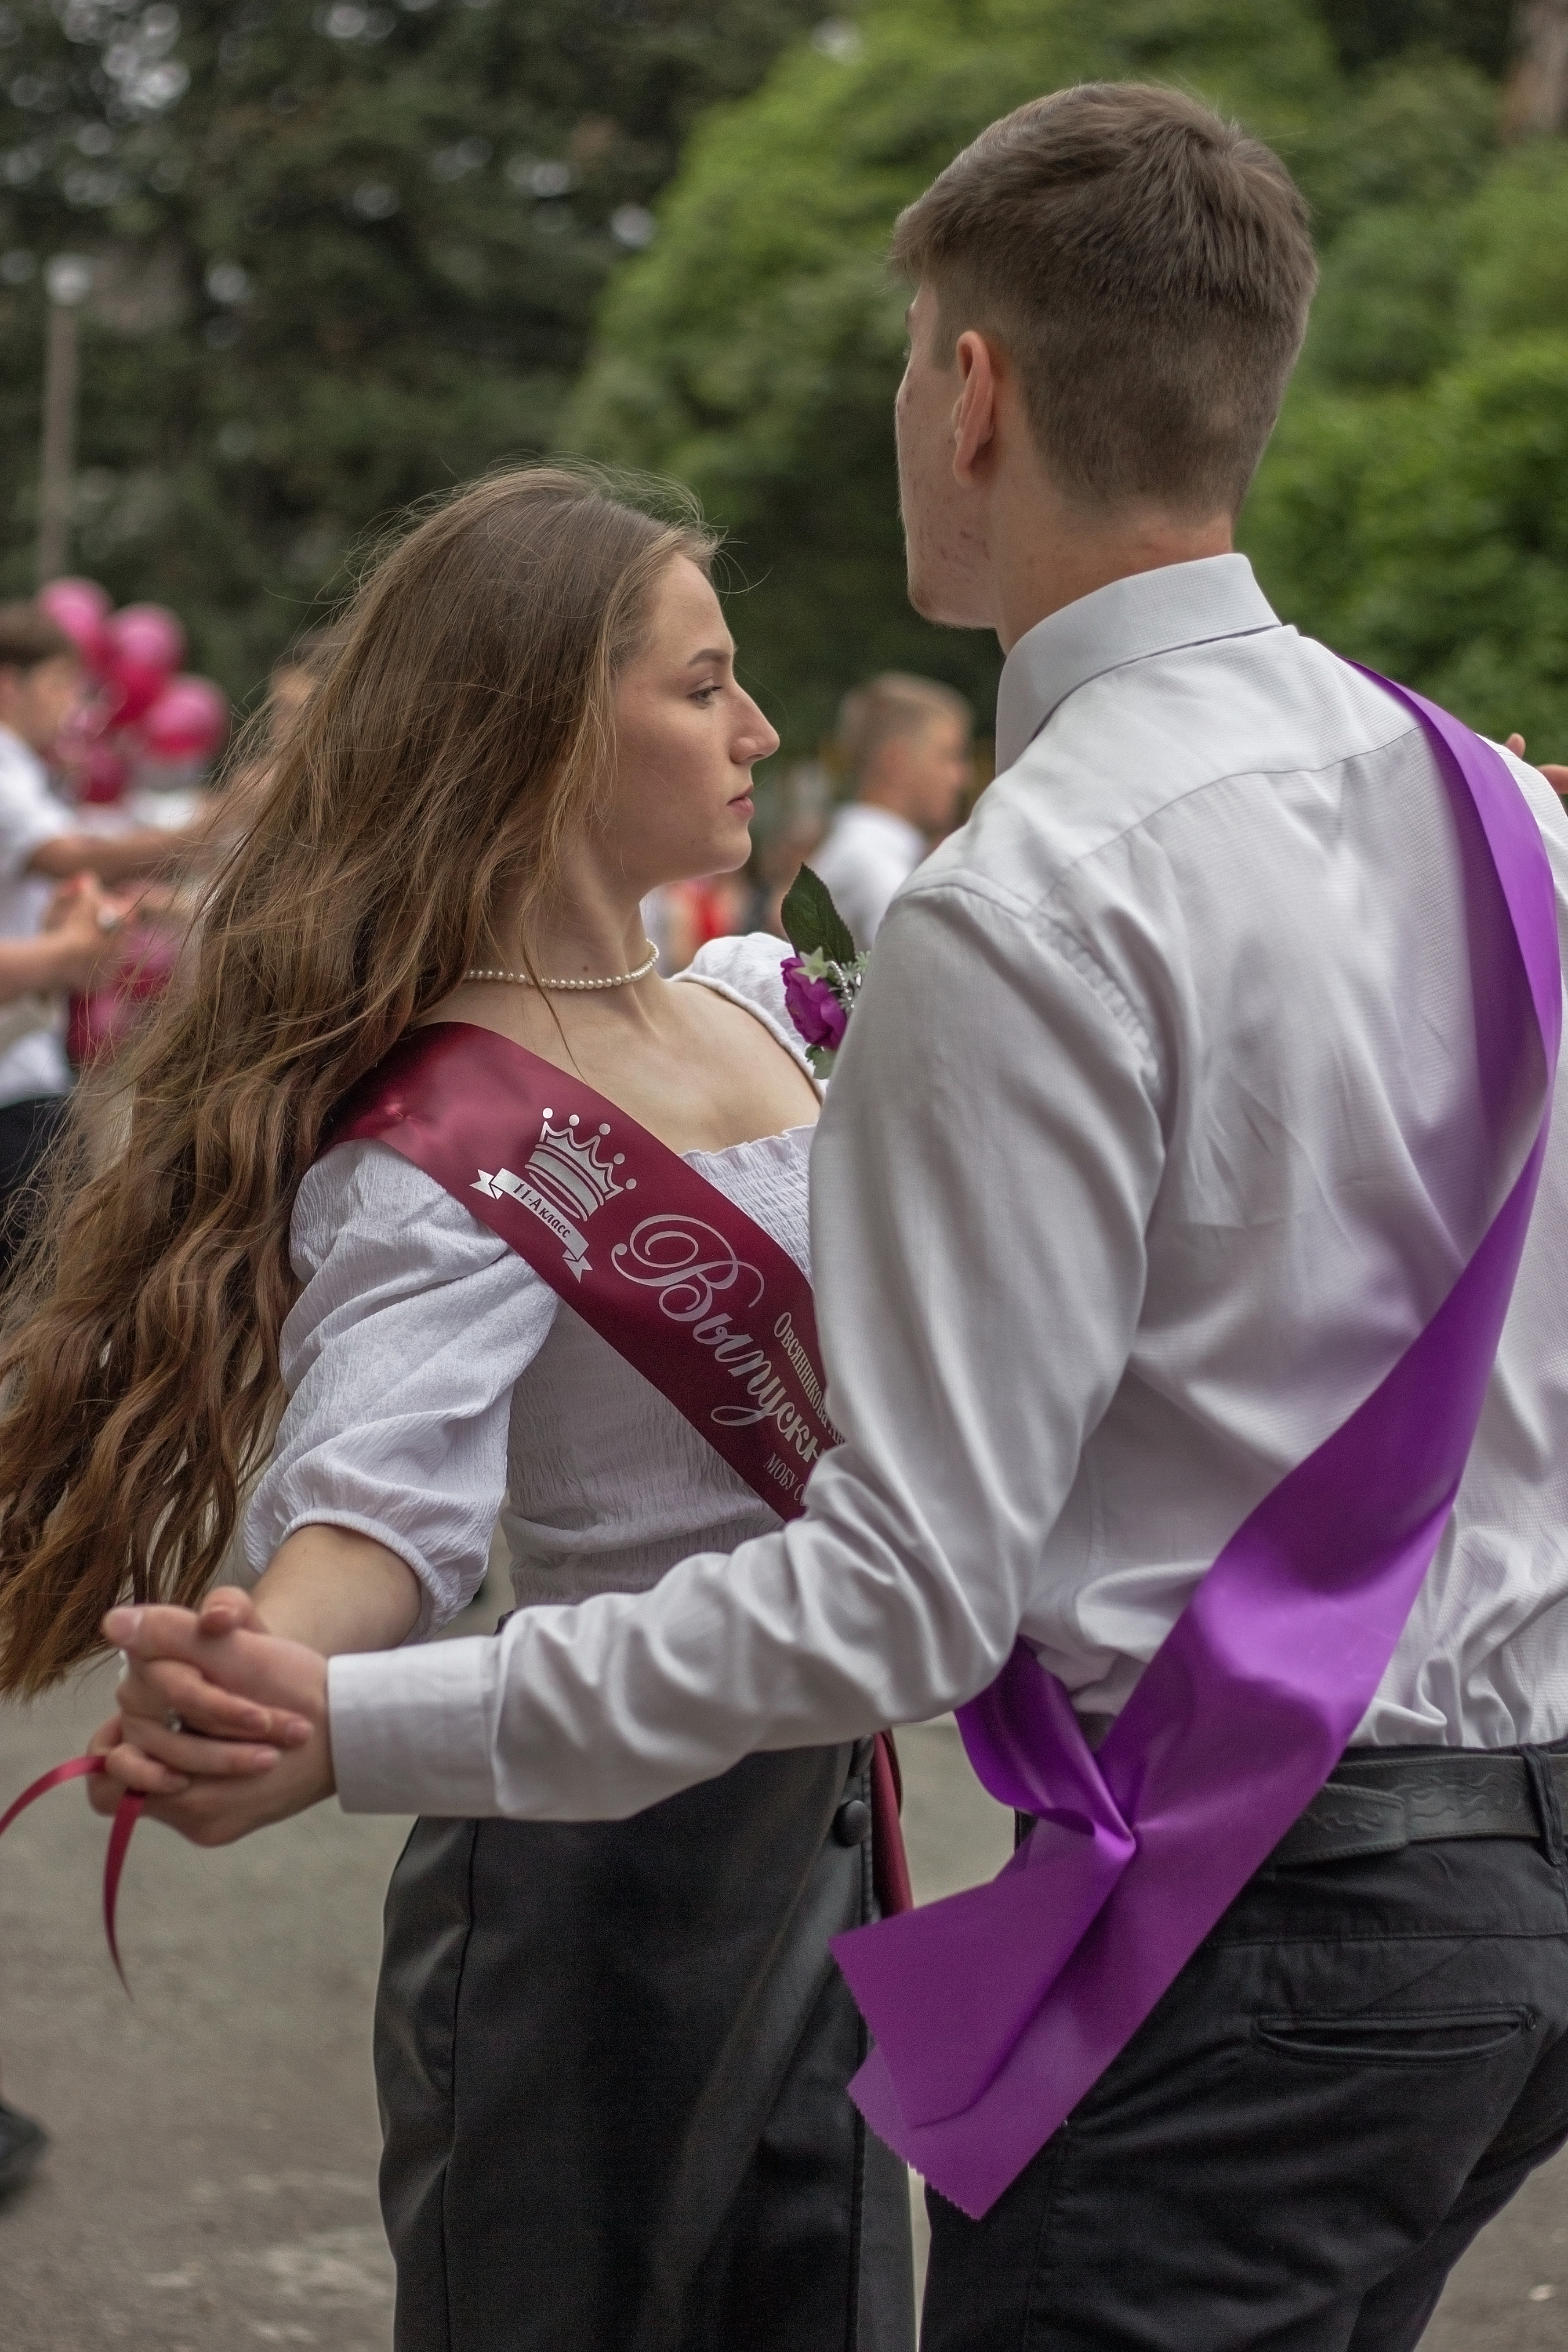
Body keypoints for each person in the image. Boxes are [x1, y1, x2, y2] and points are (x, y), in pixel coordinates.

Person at [91, 84, 1568, 2351]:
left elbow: (907, 1581)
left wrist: (336, 1722)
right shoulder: (1489, 813)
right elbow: (394, 1450)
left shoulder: (1016, 903)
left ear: (965, 391)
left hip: (1232, 1936)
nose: (752, 713)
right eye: (697, 678)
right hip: (1492, 1919)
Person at [0, 470, 914, 2351]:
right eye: (702, 685)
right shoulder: (448, 1141)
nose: (754, 731)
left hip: (828, 1819)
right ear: (544, 725)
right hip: (591, 1881)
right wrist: (275, 1663)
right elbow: (378, 1495)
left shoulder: (761, 999)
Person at [0, 602, 211, 1250]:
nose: (74, 704)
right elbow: (72, 855)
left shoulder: (28, 771)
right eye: (63, 683)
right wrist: (69, 950)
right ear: (10, 684)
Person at [810, 673, 971, 948]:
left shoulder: (862, 853)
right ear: (897, 761)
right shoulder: (876, 868)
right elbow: (921, 979)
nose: (961, 778)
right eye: (949, 756)